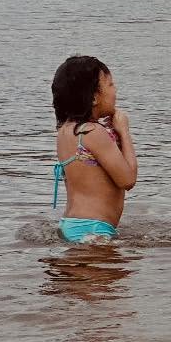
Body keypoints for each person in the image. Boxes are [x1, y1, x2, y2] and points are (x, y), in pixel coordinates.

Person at [51, 56, 137, 243]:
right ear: (94, 97)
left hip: (72, 225)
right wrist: (124, 131)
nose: (116, 90)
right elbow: (127, 179)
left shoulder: (67, 131)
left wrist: (115, 138)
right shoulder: (94, 131)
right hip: (92, 229)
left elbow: (99, 175)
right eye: (111, 85)